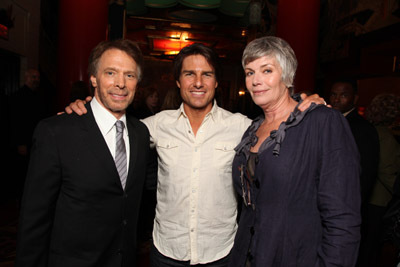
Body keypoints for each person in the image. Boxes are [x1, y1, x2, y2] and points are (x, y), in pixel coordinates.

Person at [65, 42, 325, 266]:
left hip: (221, 253)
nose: (198, 82)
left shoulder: (242, 126)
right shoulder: (154, 125)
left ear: (216, 82)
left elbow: (278, 123)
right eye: (189, 74)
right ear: (178, 81)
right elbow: (112, 130)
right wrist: (85, 110)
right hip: (167, 251)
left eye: (207, 74)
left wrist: (304, 102)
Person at [16, 39, 156, 267]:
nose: (120, 83)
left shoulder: (140, 133)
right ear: (93, 77)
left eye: (129, 75)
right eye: (111, 73)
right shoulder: (56, 132)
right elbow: (34, 220)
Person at [230, 36, 361, 266]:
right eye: (250, 73)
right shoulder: (252, 129)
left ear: (287, 76)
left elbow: (342, 219)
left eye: (267, 70)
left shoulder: (323, 122)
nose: (255, 81)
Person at [363, 93, 400, 267]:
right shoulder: (385, 137)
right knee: (372, 247)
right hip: (379, 201)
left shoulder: (369, 130)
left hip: (369, 198)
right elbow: (387, 171)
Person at [329, 78, 380, 203]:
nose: (336, 100)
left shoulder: (363, 128)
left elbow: (367, 171)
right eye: (333, 95)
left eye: (343, 95)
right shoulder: (327, 120)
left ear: (355, 98)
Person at [9, 69, 49, 202]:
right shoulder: (18, 97)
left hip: (37, 143)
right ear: (26, 78)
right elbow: (15, 121)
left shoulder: (39, 96)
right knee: (22, 174)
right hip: (24, 143)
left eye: (37, 77)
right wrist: (20, 143)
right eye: (33, 77)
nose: (36, 80)